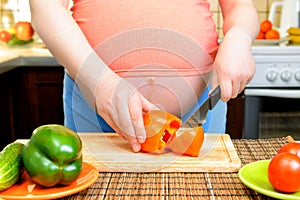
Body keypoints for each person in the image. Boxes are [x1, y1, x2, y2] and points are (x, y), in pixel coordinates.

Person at [29, 0, 259, 152]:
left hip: (202, 105)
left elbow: (240, 6)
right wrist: (101, 83)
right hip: (93, 102)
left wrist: (239, 37)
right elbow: (46, 6)